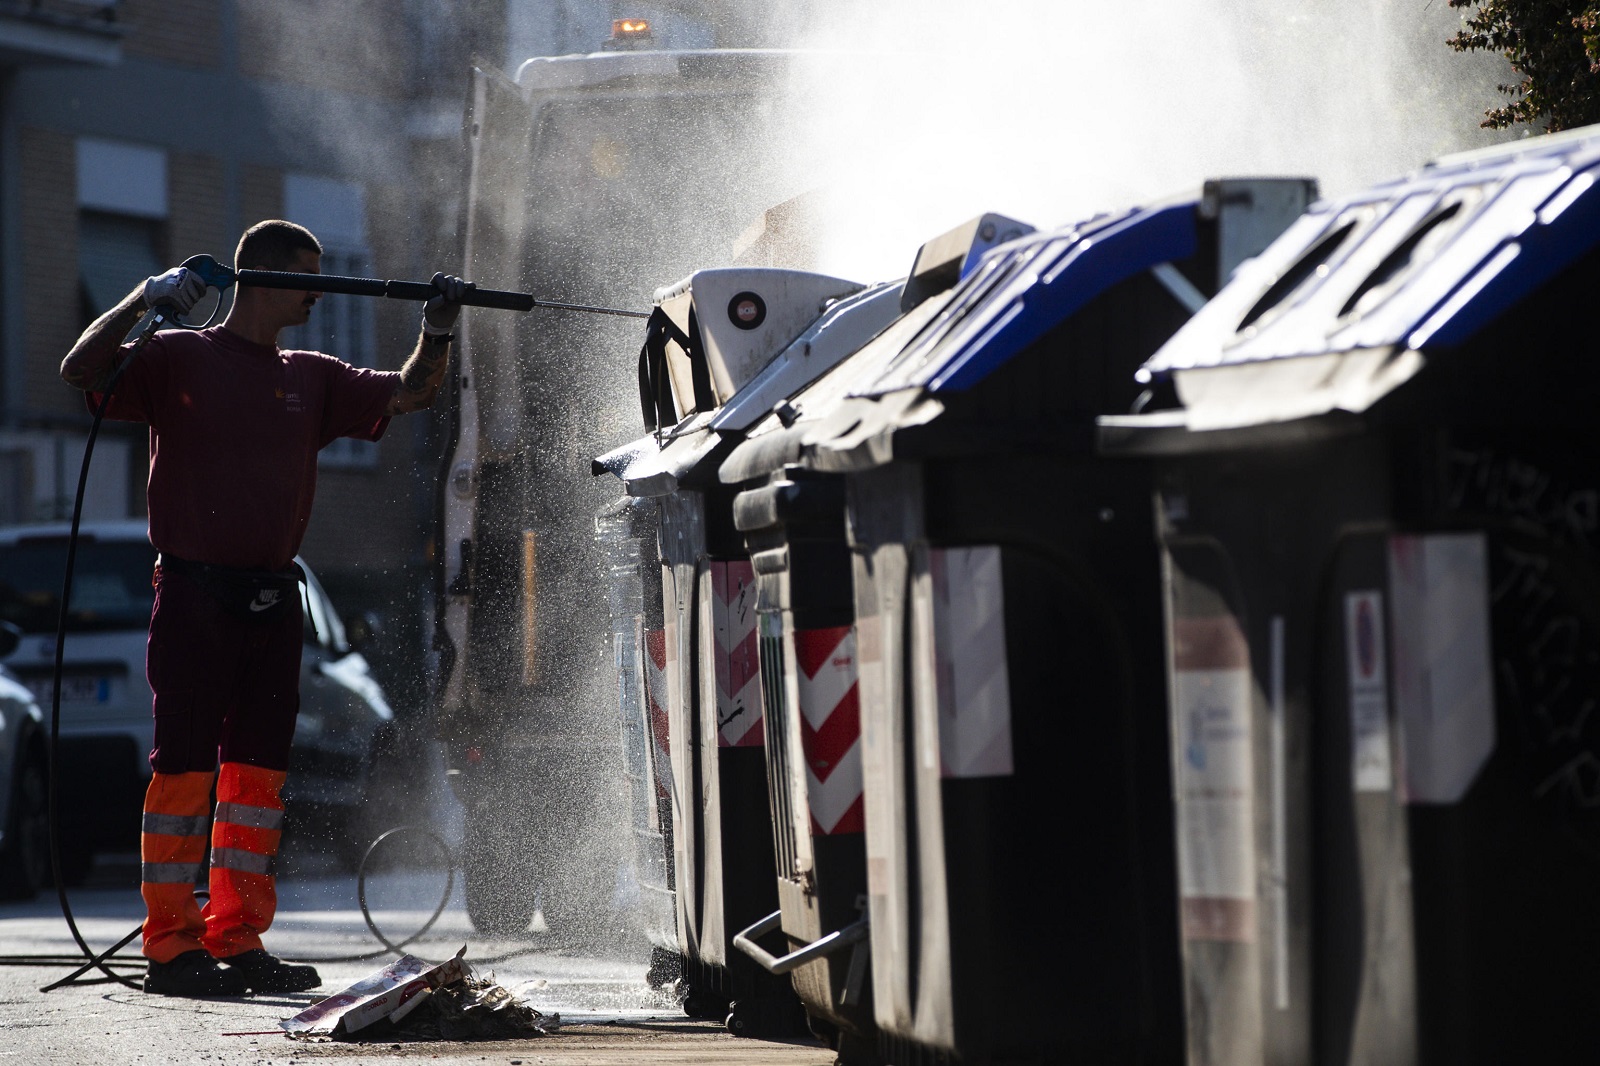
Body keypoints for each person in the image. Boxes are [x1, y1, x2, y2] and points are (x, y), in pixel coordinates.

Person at [60, 220, 469, 997]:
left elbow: (413, 390)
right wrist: (143, 299)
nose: (320, 293)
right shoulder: (179, 356)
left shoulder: (311, 377)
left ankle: (237, 938)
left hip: (272, 602)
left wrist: (438, 326)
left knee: (256, 779)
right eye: (309, 278)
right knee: (183, 772)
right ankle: (171, 949)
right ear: (263, 280)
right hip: (192, 596)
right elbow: (80, 367)